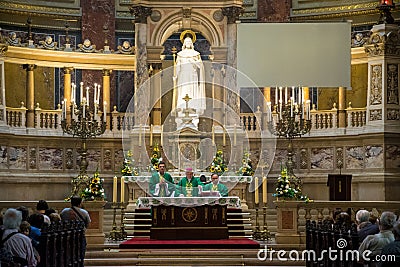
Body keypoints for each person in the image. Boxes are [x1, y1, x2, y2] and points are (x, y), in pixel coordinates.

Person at [174, 34, 206, 129]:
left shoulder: (196, 54)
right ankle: (182, 109)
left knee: (192, 93)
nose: (188, 43)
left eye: (189, 42)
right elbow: (177, 67)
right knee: (182, 92)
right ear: (184, 44)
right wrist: (175, 75)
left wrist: (195, 63)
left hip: (192, 76)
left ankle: (193, 111)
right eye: (186, 42)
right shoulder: (180, 54)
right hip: (183, 76)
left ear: (192, 43)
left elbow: (201, 67)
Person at [60, 196, 91, 260]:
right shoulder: (84, 212)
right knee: (80, 253)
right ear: (80, 203)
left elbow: (61, 221)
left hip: (67, 236)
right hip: (80, 236)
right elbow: (88, 224)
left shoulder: (64, 211)